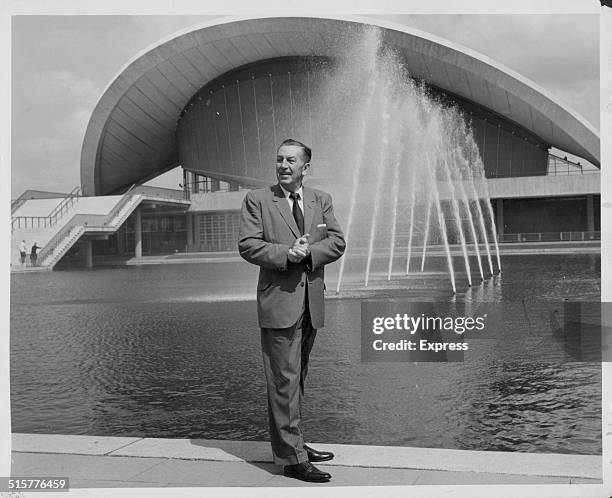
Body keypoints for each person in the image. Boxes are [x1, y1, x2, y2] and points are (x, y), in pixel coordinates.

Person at [238, 139, 345, 483]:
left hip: (311, 303)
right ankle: (292, 458)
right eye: (279, 159)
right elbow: (249, 245)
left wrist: (310, 252)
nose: (283, 165)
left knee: (297, 379)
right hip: (278, 304)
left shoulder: (320, 200)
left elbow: (338, 242)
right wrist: (288, 253)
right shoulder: (257, 200)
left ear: (305, 167)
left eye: (291, 160)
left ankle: (294, 443)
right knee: (283, 379)